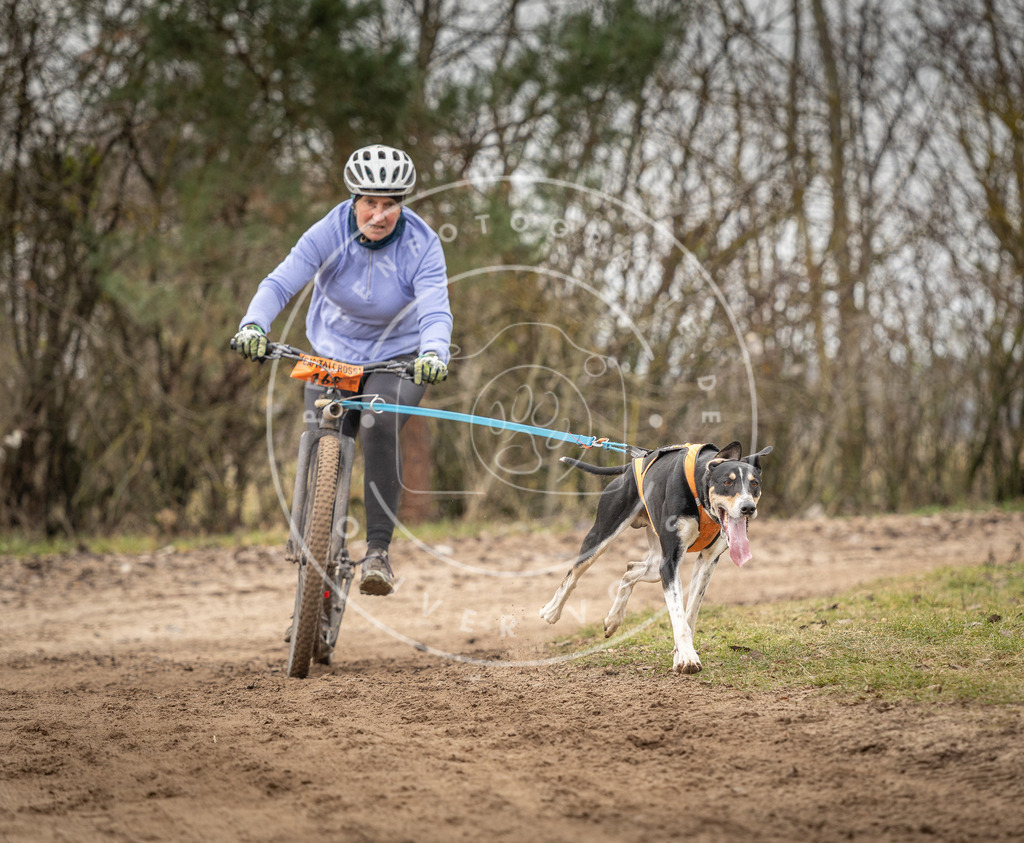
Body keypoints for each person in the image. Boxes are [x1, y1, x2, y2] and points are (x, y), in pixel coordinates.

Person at [233, 144, 452, 597]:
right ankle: (314, 533)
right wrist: (254, 323)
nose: (379, 213)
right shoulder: (329, 232)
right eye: (370, 202)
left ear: (402, 205)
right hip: (332, 356)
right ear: (353, 200)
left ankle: (376, 553)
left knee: (377, 419)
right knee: (323, 433)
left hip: (398, 359)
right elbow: (281, 281)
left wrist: (434, 353)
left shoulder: (422, 244)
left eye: (390, 204)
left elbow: (435, 311)